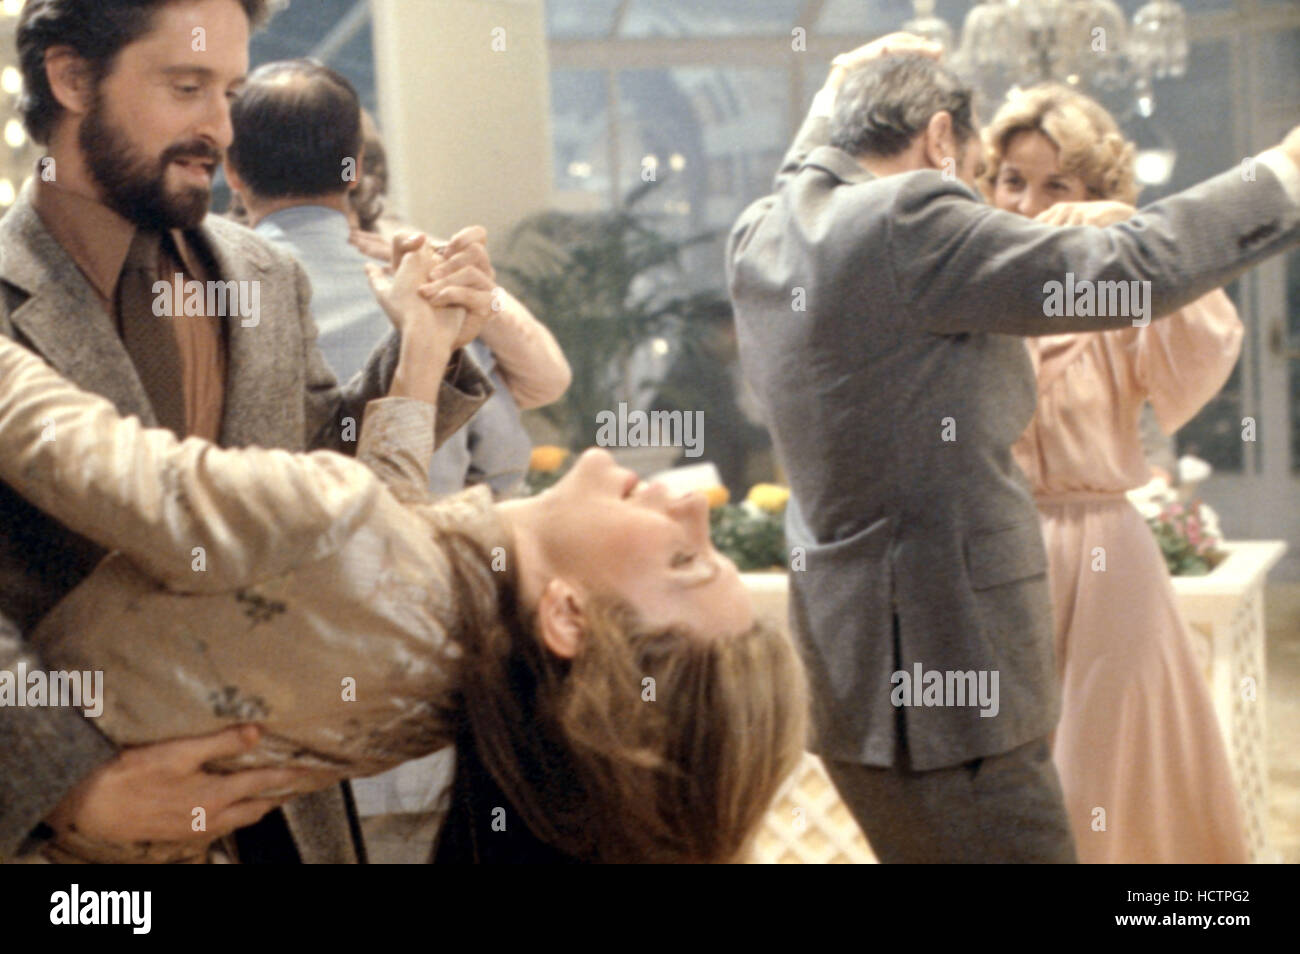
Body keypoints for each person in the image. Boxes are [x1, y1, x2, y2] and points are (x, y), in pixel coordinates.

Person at [0, 239, 808, 864]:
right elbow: (386, 544)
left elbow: (66, 448)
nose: (694, 508)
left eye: (686, 562)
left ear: (569, 618)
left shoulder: (348, 531)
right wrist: (423, 344)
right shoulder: (446, 688)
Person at [726, 35, 1300, 862]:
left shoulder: (762, 232)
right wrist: (1283, 172)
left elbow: (805, 174)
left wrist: (837, 93)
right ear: (938, 138)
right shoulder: (907, 218)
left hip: (852, 679)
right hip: (955, 676)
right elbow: (1128, 266)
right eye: (970, 172)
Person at [0, 0, 494, 865]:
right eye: (186, 87)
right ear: (72, 78)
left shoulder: (264, 273)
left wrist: (424, 343)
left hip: (286, 821)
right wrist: (64, 784)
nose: (220, 130)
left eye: (230, 92)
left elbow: (315, 492)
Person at [983, 84, 1250, 862]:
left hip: (1105, 558)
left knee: (1107, 772)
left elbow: (1211, 336)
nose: (1028, 205)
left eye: (1056, 185)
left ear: (1094, 193)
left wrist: (1120, 230)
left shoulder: (1118, 301)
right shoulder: (969, 297)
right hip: (995, 555)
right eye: (1012, 180)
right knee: (1009, 781)